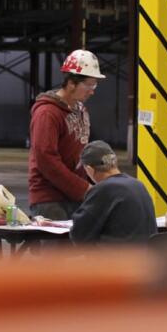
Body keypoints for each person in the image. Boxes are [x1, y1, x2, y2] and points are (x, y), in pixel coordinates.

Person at [27, 49, 104, 220]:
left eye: (95, 85)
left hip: (75, 197)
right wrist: (83, 189)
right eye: (89, 85)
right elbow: (46, 159)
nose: (92, 90)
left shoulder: (81, 109)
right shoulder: (47, 113)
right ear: (71, 83)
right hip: (50, 200)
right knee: (57, 246)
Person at [69, 141, 156, 244]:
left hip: (116, 257)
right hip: (146, 256)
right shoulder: (138, 184)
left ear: (90, 169)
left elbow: (79, 235)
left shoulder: (103, 189)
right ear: (114, 162)